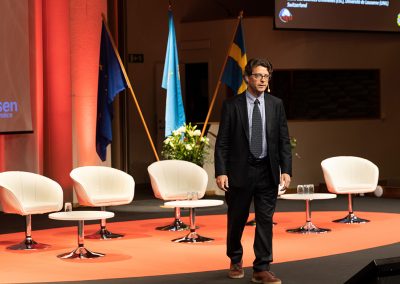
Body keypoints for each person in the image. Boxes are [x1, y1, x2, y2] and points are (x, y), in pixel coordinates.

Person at [215, 58, 292, 284]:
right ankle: (236, 260)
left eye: (266, 76)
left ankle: (262, 267)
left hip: (267, 171)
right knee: (237, 218)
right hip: (240, 171)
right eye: (258, 75)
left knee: (265, 219)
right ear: (247, 78)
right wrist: (221, 171)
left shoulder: (276, 104)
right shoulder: (232, 105)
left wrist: (286, 169)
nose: (262, 80)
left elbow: (283, 140)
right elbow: (223, 142)